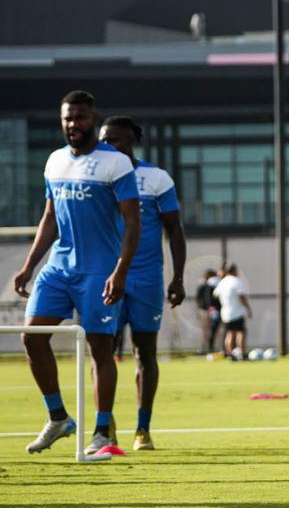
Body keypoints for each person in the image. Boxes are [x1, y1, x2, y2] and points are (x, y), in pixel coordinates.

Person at [13, 90, 140, 455]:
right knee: (32, 338)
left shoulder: (114, 163)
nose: (74, 124)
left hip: (99, 269)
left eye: (81, 118)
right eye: (68, 118)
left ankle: (102, 431)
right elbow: (49, 218)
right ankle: (58, 418)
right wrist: (29, 265)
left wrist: (120, 270)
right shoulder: (54, 161)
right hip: (58, 267)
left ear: (93, 119)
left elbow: (133, 223)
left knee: (100, 347)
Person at [100, 116, 186, 451]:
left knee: (144, 352)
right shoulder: (97, 177)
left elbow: (175, 229)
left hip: (147, 278)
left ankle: (142, 428)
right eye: (105, 140)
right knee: (103, 351)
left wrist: (177, 277)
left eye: (117, 141)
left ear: (132, 141)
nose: (110, 147)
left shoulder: (156, 178)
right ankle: (104, 426)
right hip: (104, 276)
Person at [214, 263, 251, 359]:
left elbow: (215, 294)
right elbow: (241, 296)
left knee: (230, 333)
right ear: (234, 271)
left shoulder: (222, 282)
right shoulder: (237, 281)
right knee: (241, 332)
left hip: (225, 313)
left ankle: (230, 355)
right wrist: (248, 308)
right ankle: (242, 354)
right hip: (237, 312)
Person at [195, 269, 220, 355]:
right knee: (205, 331)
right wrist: (207, 308)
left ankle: (213, 348)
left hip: (214, 311)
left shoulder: (215, 286)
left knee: (214, 331)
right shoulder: (203, 287)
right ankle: (203, 349)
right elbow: (199, 300)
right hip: (204, 312)